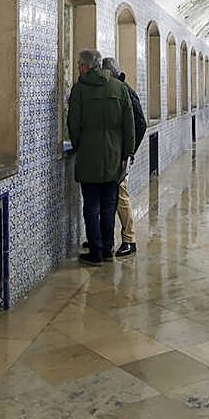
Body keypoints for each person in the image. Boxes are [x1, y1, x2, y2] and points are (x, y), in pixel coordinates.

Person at [67, 48, 135, 266]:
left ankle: (95, 252)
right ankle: (107, 249)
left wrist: (80, 145)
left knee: (91, 206)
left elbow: (73, 125)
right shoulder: (119, 87)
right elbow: (129, 125)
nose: (78, 68)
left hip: (89, 156)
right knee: (109, 205)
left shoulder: (79, 90)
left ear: (86, 66)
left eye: (79, 65)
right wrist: (127, 153)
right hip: (114, 156)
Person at [101, 57, 146, 257]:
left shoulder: (124, 91)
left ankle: (129, 240)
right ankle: (106, 239)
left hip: (120, 156)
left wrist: (129, 152)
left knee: (121, 197)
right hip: (115, 154)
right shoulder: (118, 89)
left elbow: (140, 123)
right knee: (111, 197)